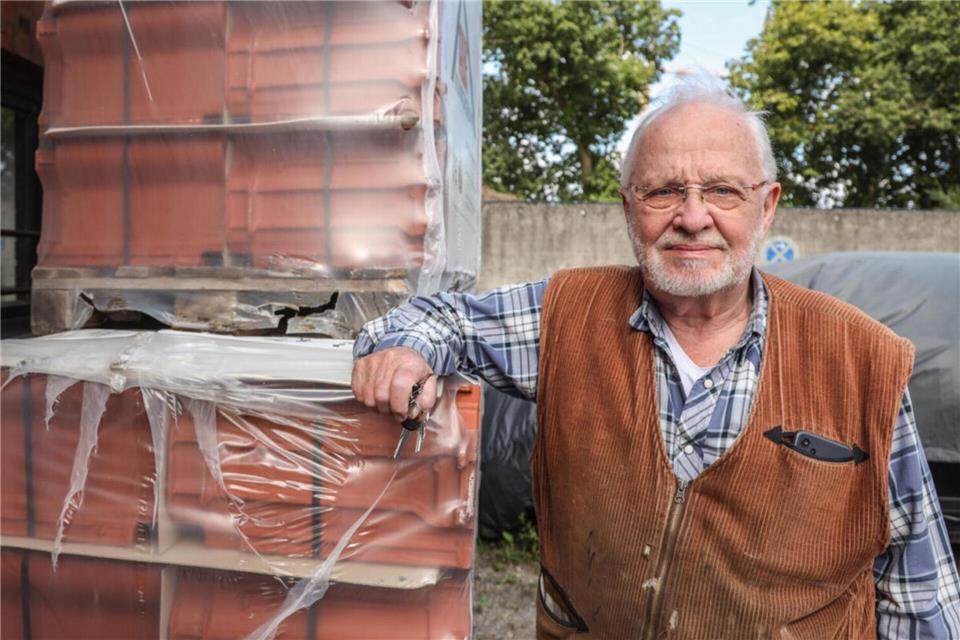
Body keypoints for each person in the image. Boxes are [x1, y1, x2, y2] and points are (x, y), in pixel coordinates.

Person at [351, 78, 960, 638]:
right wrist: (403, 349)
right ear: (627, 207)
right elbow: (441, 316)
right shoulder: (567, 314)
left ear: (767, 205)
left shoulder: (861, 359)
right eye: (663, 191)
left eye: (722, 190)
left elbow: (918, 590)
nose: (693, 218)